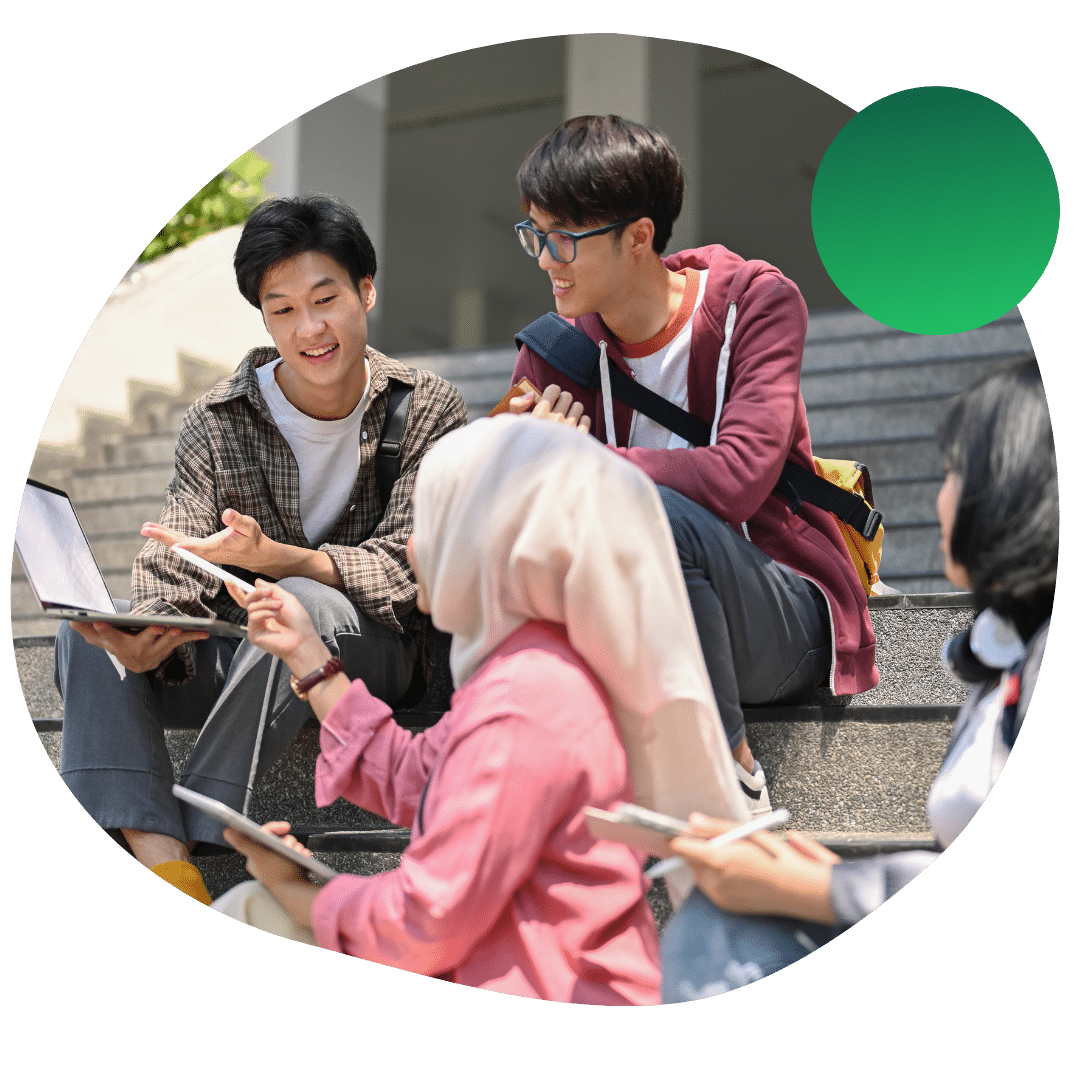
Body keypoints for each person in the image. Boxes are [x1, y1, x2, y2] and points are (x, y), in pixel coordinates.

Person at [212, 415, 749, 1003]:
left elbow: (425, 924)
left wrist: (295, 889)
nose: (411, 546)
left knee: (247, 910)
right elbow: (424, 776)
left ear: (485, 541)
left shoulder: (525, 702)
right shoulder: (536, 666)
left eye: (430, 521)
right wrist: (307, 652)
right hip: (527, 971)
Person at [54, 194, 467, 904]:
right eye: (281, 309)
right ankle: (167, 865)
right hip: (245, 660)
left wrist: (288, 561)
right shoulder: (219, 418)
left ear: (365, 291)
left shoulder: (426, 405)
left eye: (325, 299)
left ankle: (204, 816)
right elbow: (175, 549)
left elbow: (411, 570)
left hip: (377, 656)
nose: (309, 329)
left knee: (297, 602)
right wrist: (153, 630)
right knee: (83, 630)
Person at [506, 115, 878, 814]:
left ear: (639, 236)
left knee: (653, 517)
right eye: (534, 234)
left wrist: (585, 464)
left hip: (777, 611)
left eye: (563, 239)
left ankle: (727, 778)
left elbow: (737, 480)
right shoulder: (552, 351)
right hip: (623, 628)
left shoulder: (755, 305)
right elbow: (503, 496)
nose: (545, 259)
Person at [659, 358, 1056, 1001]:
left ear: (1014, 488)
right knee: (717, 920)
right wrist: (806, 872)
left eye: (955, 472)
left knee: (718, 932)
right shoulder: (1003, 655)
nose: (938, 496)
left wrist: (819, 889)